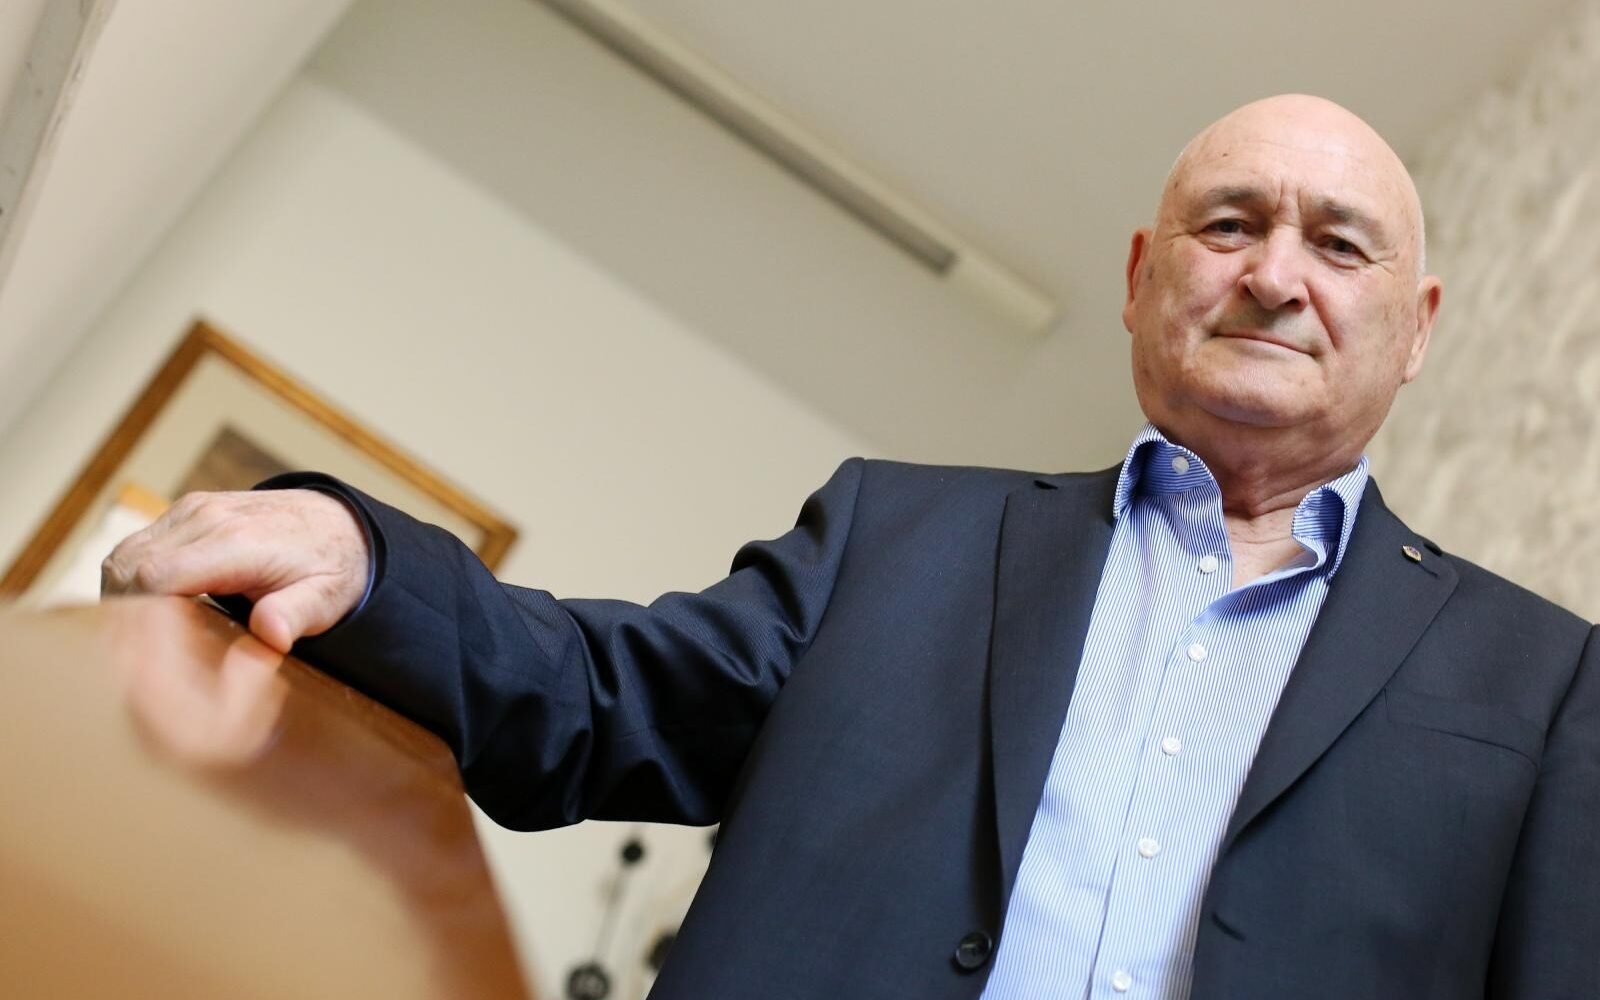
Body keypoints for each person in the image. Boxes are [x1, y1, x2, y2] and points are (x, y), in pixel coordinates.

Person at [103, 95, 1598, 999]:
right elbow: (598, 697)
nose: (1275, 274)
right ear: (1145, 279)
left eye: (1338, 244)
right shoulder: (903, 534)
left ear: (1416, 328)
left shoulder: (1548, 689)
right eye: (1228, 226)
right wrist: (361, 552)